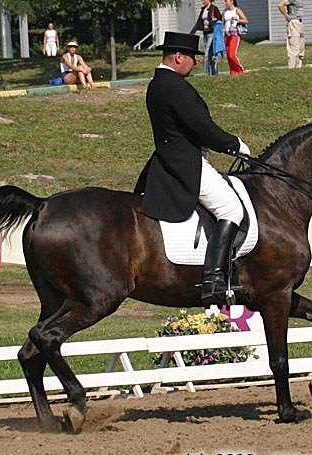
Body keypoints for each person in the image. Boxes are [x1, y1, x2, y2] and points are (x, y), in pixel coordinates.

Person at [133, 32, 251, 303]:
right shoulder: (174, 86)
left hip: (168, 158)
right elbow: (202, 127)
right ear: (178, 57)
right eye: (192, 59)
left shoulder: (157, 84)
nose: (195, 64)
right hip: (185, 162)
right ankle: (214, 279)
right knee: (231, 209)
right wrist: (235, 145)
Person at [189, 0, 222, 76]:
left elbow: (219, 20)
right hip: (205, 34)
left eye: (204, 0)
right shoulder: (203, 9)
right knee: (211, 54)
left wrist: (210, 22)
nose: (202, 1)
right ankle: (213, 73)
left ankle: (206, 73)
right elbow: (198, 23)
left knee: (207, 53)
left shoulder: (214, 8)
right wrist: (191, 34)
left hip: (212, 33)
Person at [222, 0, 248, 75]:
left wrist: (237, 20)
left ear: (232, 1)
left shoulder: (237, 10)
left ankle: (240, 70)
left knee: (232, 54)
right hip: (227, 35)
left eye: (226, 1)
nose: (225, 3)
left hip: (234, 35)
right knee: (228, 55)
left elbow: (246, 20)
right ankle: (233, 72)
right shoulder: (225, 12)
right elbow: (222, 22)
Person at [278, 0, 304, 69]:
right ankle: (292, 67)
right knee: (294, 47)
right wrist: (286, 15)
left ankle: (298, 67)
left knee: (301, 47)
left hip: (299, 22)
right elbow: (280, 5)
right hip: (293, 23)